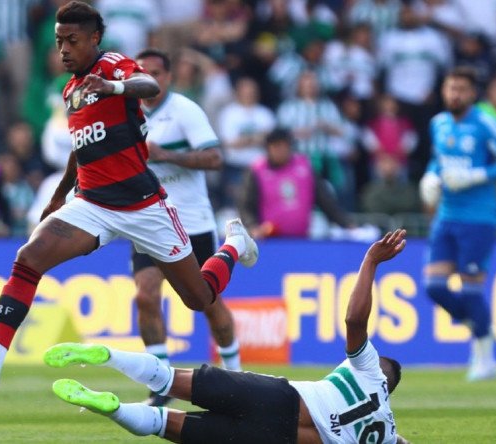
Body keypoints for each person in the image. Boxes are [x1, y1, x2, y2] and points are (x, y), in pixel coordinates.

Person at [0, 1, 258, 395]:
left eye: (72, 41)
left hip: (143, 205)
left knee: (199, 298)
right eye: (59, 42)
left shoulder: (111, 66)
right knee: (27, 259)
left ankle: (233, 245)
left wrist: (112, 86)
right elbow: (80, 148)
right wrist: (59, 197)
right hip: (92, 204)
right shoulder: (73, 90)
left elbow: (150, 86)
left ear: (94, 38)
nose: (63, 50)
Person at [45, 230, 410, 444]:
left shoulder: (369, 374)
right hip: (273, 440)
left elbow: (354, 319)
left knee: (172, 380)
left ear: (383, 373)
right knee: (163, 425)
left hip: (280, 397)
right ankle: (112, 409)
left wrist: (371, 262)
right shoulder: (387, 434)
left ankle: (107, 354)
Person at [129, 48, 242, 407]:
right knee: (145, 295)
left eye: (158, 73)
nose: (151, 79)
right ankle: (163, 384)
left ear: (169, 77)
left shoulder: (185, 111)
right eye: (143, 73)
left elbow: (214, 158)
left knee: (207, 302)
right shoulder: (126, 114)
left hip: (191, 223)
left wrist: (168, 155)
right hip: (148, 221)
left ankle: (237, 375)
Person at [419, 67, 496, 382]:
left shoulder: (486, 124)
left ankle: (485, 360)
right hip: (446, 217)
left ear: (472, 94)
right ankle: (480, 325)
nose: (454, 94)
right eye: (450, 88)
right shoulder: (438, 124)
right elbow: (437, 158)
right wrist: (431, 175)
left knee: (471, 290)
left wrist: (476, 175)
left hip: (479, 218)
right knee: (434, 287)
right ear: (444, 91)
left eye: (461, 89)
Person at [238, 128, 353, 240]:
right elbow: (246, 204)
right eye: (276, 146)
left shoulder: (304, 166)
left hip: (301, 241)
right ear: (268, 148)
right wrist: (253, 227)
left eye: (284, 146)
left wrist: (346, 224)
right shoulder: (257, 170)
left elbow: (325, 200)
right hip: (269, 241)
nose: (280, 151)